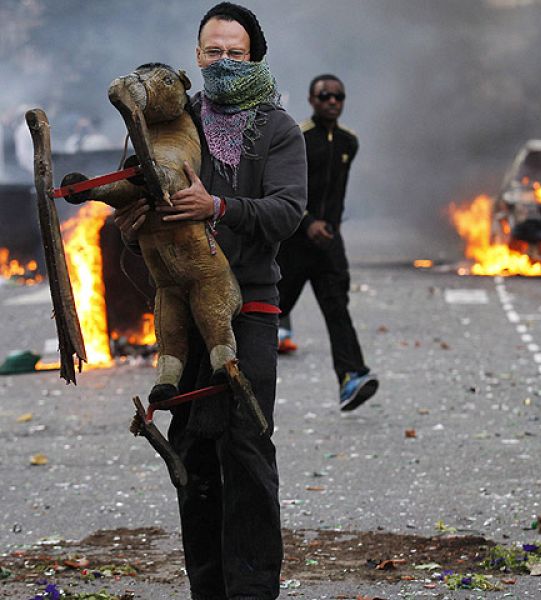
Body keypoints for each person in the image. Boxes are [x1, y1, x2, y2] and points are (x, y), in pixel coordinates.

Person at [113, 3, 306, 598]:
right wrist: (128, 214)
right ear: (196, 57)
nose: (222, 62)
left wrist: (218, 207)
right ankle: (208, 590)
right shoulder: (168, 119)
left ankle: (252, 591)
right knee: (193, 451)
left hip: (249, 306)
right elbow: (129, 190)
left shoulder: (278, 128)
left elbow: (288, 211)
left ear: (256, 57)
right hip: (180, 302)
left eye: (235, 53)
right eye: (213, 52)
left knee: (246, 446)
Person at [276, 74, 378, 411]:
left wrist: (328, 227)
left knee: (337, 308)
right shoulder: (298, 139)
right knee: (270, 312)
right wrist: (307, 223)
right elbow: (284, 188)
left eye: (338, 96)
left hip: (330, 244)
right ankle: (233, 374)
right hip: (294, 243)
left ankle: (352, 377)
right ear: (311, 100)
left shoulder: (350, 142)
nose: (332, 102)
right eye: (325, 96)